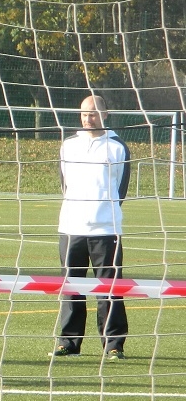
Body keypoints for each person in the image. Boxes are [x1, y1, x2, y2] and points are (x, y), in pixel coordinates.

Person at [53, 94, 130, 361]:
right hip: (71, 227)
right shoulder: (69, 145)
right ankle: (69, 342)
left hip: (106, 230)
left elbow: (120, 188)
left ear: (105, 114)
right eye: (85, 113)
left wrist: (103, 213)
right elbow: (64, 183)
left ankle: (113, 345)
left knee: (110, 288)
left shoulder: (117, 147)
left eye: (94, 113)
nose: (89, 118)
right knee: (71, 287)